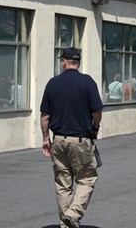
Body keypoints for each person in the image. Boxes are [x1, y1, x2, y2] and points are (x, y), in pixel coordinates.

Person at [40, 47, 103, 228]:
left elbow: (45, 116)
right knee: (87, 179)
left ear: (64, 61)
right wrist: (95, 128)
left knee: (63, 183)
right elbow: (97, 110)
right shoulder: (87, 82)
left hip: (58, 140)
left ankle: (66, 224)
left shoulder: (53, 83)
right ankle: (73, 214)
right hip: (81, 140)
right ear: (78, 62)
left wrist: (46, 138)